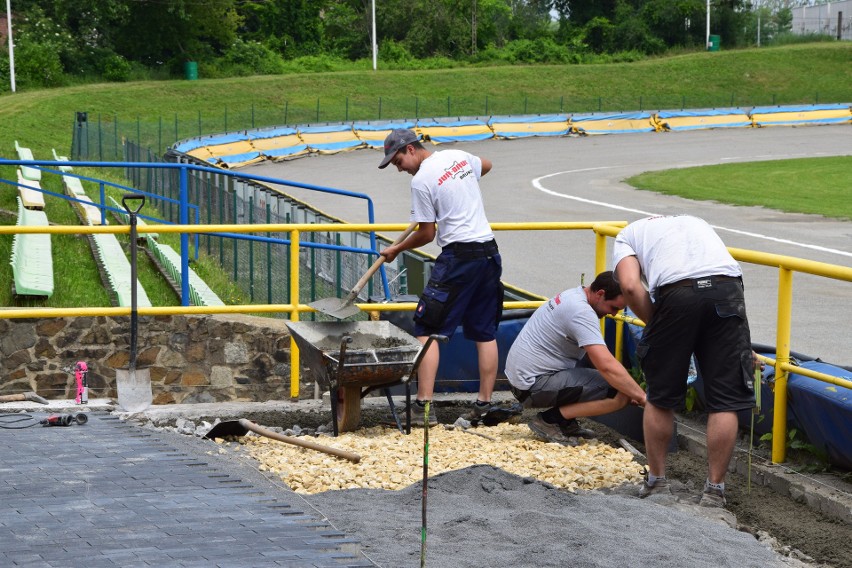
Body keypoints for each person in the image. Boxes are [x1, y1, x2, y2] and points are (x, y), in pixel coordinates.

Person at [612, 214, 755, 508]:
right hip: (728, 290)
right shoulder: (696, 221)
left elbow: (629, 286)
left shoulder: (628, 234)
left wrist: (657, 325)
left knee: (660, 396)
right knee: (725, 400)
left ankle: (657, 482)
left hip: (678, 293)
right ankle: (715, 490)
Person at [378, 128, 503, 425]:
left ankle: (423, 409)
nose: (399, 169)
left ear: (410, 149)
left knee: (427, 329)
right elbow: (485, 164)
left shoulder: (421, 181)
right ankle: (484, 405)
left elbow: (426, 233)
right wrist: (460, 187)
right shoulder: (456, 157)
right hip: (489, 253)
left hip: (459, 258)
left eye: (397, 162)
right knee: (484, 331)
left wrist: (396, 249)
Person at [506, 271, 647, 444]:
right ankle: (550, 420)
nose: (613, 314)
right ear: (600, 293)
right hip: (532, 385)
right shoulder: (581, 312)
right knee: (619, 393)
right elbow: (606, 365)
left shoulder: (574, 295)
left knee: (614, 381)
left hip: (524, 380)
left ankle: (565, 421)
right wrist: (641, 396)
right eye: (614, 308)